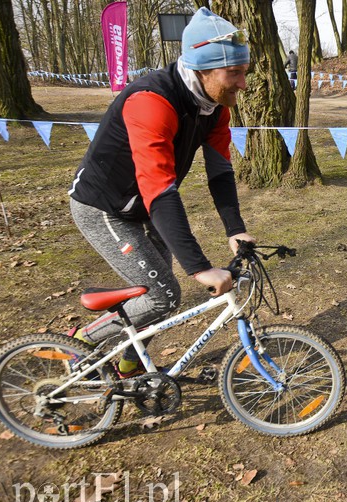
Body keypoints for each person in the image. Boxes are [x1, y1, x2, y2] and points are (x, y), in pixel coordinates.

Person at [67, 7, 254, 378]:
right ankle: (83, 340)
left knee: (156, 299)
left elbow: (220, 172)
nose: (242, 84)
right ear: (203, 70)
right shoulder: (151, 101)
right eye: (234, 73)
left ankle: (128, 367)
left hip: (147, 205)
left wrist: (235, 228)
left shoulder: (216, 107)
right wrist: (199, 268)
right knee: (162, 295)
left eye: (244, 73)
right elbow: (159, 188)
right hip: (104, 207)